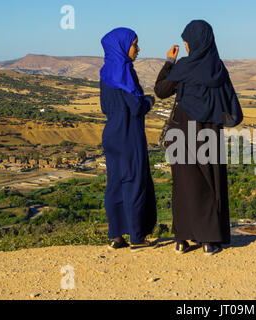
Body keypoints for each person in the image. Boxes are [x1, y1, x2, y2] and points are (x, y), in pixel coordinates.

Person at [154, 20, 243, 256]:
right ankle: (209, 240)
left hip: (181, 130)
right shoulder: (217, 68)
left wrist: (169, 62)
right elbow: (230, 102)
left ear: (192, 43)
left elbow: (161, 90)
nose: (184, 46)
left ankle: (182, 239)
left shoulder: (183, 66)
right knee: (210, 181)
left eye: (186, 42)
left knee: (183, 183)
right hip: (209, 130)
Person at [100, 27, 157, 252]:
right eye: (135, 44)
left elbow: (105, 107)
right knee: (134, 182)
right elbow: (136, 108)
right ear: (123, 46)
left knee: (115, 183)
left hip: (111, 134)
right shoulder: (126, 72)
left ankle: (116, 235)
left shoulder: (105, 73)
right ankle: (137, 237)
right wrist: (149, 101)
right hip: (129, 135)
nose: (138, 49)